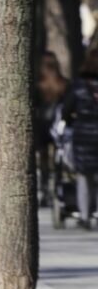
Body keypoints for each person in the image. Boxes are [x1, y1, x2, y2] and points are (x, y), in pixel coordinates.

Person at [63, 46, 98, 230]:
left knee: (84, 176)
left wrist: (69, 122)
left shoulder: (79, 86)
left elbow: (66, 110)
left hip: (83, 133)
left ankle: (85, 216)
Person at [36, 51, 69, 206]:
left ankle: (44, 188)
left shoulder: (38, 83)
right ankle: (55, 187)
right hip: (57, 126)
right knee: (57, 158)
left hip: (41, 125)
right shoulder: (63, 83)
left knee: (43, 159)